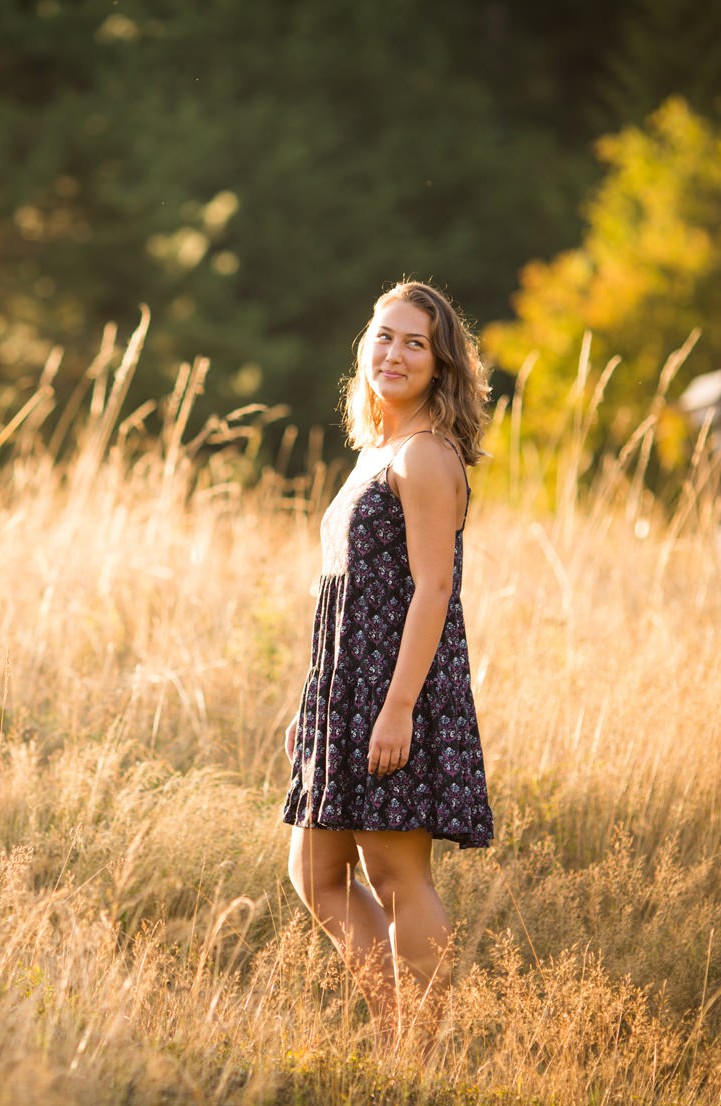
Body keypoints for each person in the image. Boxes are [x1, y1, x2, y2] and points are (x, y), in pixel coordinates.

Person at [281, 280, 494, 1051]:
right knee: (317, 874)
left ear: (440, 365)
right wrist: (316, 710)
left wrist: (398, 705)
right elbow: (340, 592)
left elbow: (436, 588)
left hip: (394, 685)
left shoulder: (428, 456)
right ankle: (396, 1031)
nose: (394, 353)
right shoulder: (379, 449)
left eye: (414, 342)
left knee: (399, 877)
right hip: (345, 686)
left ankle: (416, 1056)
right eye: (383, 336)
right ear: (363, 347)